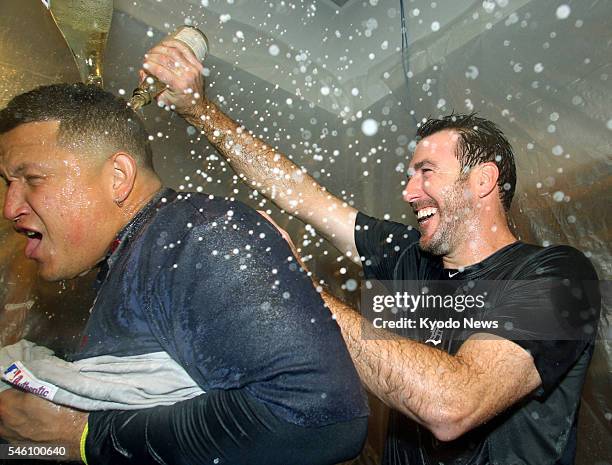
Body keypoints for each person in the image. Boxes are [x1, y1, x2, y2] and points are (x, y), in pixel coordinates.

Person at [142, 38, 602, 464]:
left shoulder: (557, 276)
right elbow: (298, 194)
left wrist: (303, 289)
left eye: (425, 172)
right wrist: (199, 110)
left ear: (482, 180)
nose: (408, 191)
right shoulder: (410, 259)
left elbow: (453, 405)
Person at [0, 83, 369, 465]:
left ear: (118, 177)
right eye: (6, 182)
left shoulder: (197, 234)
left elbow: (321, 420)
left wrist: (80, 435)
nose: (11, 207)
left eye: (32, 179)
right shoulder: (137, 255)